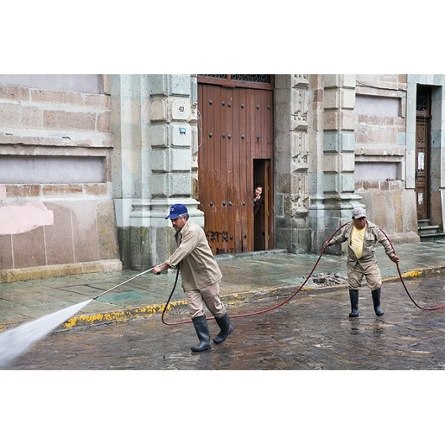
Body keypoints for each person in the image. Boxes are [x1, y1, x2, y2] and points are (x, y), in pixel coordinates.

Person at [152, 203, 233, 352]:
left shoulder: (193, 231)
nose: (173, 223)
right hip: (190, 278)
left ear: (184, 218)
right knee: (195, 309)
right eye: (172, 220)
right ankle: (204, 341)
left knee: (215, 307)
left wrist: (163, 266)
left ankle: (226, 328)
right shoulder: (179, 232)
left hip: (205, 275)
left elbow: (183, 250)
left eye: (175, 219)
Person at [324, 207, 400, 318]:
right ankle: (354, 309)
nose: (361, 221)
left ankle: (377, 307)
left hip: (369, 261)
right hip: (354, 263)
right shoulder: (348, 228)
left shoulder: (373, 228)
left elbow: (385, 241)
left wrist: (391, 255)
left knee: (376, 283)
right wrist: (330, 242)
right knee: (353, 285)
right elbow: (340, 238)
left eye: (363, 218)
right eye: (359, 219)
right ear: (353, 219)